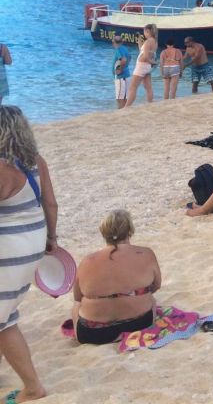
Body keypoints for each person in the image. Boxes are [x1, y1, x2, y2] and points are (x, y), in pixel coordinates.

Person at [0, 105, 59, 402]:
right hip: (33, 244)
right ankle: (31, 385)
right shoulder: (36, 161)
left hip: (7, 250)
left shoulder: (0, 167)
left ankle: (34, 387)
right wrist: (52, 240)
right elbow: (51, 205)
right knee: (5, 318)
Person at [71, 210, 160, 345]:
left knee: (76, 306)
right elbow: (156, 286)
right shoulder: (145, 253)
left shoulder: (87, 261)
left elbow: (78, 297)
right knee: (151, 299)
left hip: (93, 332)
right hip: (139, 324)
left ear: (103, 233)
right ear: (130, 231)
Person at [124, 23, 158, 107]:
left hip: (142, 66)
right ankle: (150, 103)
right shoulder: (154, 41)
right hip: (147, 67)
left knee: (133, 87)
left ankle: (126, 107)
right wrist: (139, 39)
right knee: (148, 87)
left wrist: (152, 62)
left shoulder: (147, 42)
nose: (144, 34)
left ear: (147, 31)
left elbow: (146, 56)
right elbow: (142, 51)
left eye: (144, 32)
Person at [111, 35, 132, 109]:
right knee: (125, 97)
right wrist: (125, 66)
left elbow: (124, 60)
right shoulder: (125, 48)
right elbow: (129, 58)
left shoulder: (118, 50)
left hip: (121, 77)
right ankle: (125, 111)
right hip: (127, 75)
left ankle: (120, 112)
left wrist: (120, 70)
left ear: (114, 42)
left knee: (119, 98)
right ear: (121, 42)